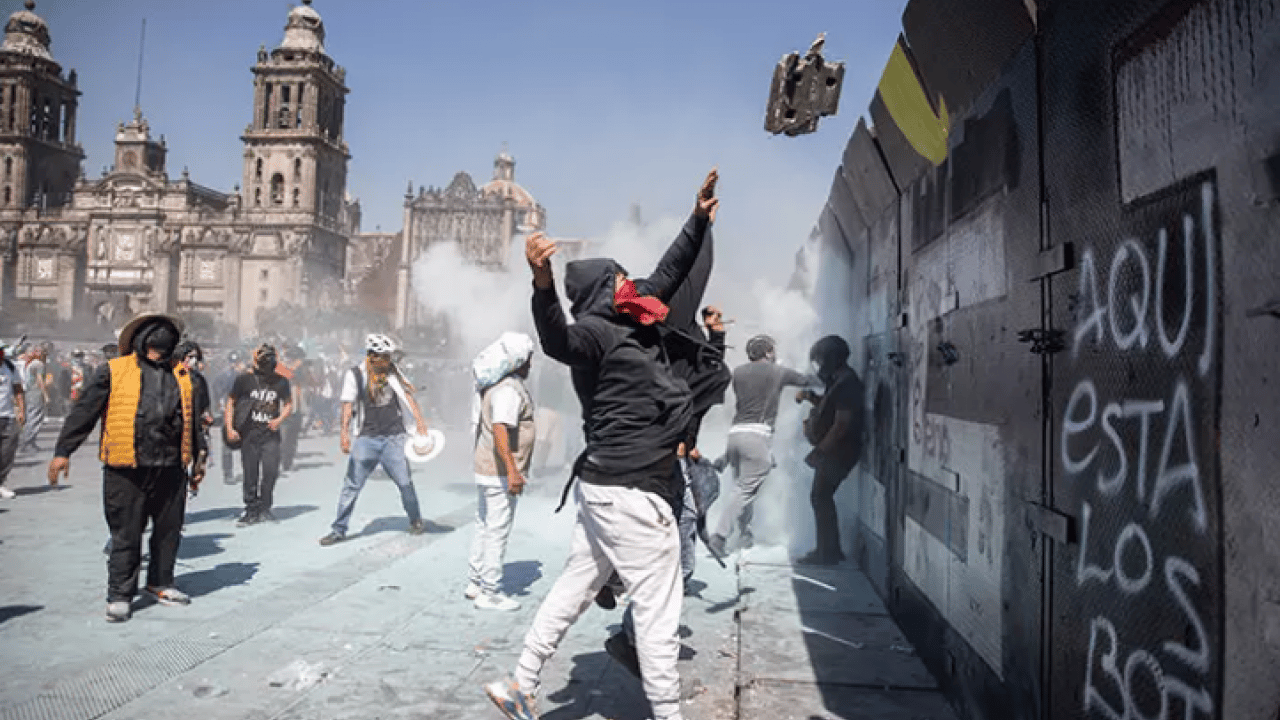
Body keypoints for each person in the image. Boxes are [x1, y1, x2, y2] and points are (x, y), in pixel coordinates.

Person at [483, 168, 720, 720]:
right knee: (659, 614)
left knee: (573, 588)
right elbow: (556, 340)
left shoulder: (633, 319)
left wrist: (696, 218)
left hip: (603, 491)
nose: (630, 286)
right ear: (599, 294)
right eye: (619, 282)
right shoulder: (594, 332)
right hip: (633, 492)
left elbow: (666, 275)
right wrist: (542, 285)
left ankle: (521, 684)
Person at [47, 313, 205, 622]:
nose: (163, 341)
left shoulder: (184, 376)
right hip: (126, 466)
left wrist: (198, 459)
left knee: (168, 530)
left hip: (171, 466)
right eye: (157, 337)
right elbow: (85, 411)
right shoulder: (113, 371)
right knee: (126, 533)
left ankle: (160, 582)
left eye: (168, 337)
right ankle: (120, 594)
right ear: (143, 340)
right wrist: (63, 450)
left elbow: (193, 420)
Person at [706, 334, 815, 556]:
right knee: (744, 490)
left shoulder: (738, 372)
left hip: (736, 435)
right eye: (773, 351)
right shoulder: (777, 371)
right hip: (757, 437)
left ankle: (744, 534)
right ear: (767, 353)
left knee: (746, 489)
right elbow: (807, 381)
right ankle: (719, 536)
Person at [318, 333, 431, 545]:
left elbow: (408, 397)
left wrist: (420, 423)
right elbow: (347, 405)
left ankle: (415, 519)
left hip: (394, 438)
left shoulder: (394, 374)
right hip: (366, 439)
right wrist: (344, 434)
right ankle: (338, 529)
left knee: (405, 482)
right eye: (384, 357)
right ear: (372, 356)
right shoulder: (355, 375)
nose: (388, 361)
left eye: (389, 357)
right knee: (351, 485)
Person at [466, 332, 537, 612]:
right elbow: (500, 429)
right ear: (517, 361)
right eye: (528, 360)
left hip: (488, 469)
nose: (530, 365)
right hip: (498, 472)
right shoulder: (508, 390)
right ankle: (490, 591)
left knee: (484, 525)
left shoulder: (499, 386)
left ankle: (475, 581)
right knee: (496, 530)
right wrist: (513, 471)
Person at [795, 335, 865, 565]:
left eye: (822, 359)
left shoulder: (847, 383)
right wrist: (810, 398)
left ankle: (827, 553)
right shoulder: (840, 381)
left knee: (820, 497)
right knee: (821, 497)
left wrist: (820, 451)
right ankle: (830, 550)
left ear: (832, 358)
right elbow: (829, 408)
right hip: (835, 450)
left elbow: (841, 424)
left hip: (838, 451)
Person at [225, 344, 292, 526]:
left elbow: (288, 404)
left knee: (271, 472)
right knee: (250, 473)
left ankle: (265, 507)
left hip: (270, 435)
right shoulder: (244, 380)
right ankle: (251, 510)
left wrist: (279, 420)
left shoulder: (281, 381)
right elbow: (231, 402)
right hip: (249, 434)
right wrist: (230, 428)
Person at [214, 351, 245, 484]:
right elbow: (217, 392)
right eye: (234, 362)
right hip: (229, 412)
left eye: (238, 362)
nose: (236, 365)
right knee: (227, 445)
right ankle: (228, 474)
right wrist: (219, 406)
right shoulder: (223, 376)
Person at [0, 341, 26, 500]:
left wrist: (21, 410)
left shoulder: (10, 367)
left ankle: (1, 483)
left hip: (8, 415)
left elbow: (18, 389)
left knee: (7, 452)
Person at [17, 344, 47, 454]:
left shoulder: (30, 364)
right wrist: (46, 395)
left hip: (29, 393)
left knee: (30, 417)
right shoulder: (38, 364)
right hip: (36, 393)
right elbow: (39, 380)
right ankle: (28, 442)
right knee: (35, 417)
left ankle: (28, 442)